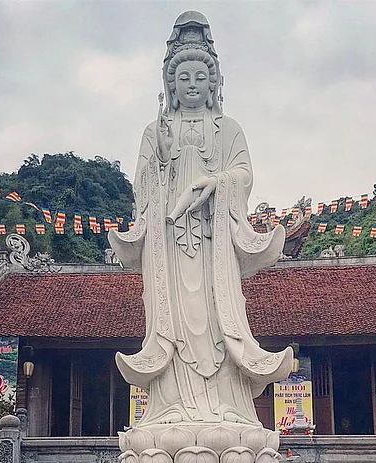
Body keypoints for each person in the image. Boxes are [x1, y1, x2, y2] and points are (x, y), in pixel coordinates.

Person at [109, 11, 293, 427]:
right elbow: (142, 184)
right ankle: (171, 404)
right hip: (169, 247)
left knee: (217, 315)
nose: (192, 84)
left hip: (214, 245)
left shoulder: (228, 129)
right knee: (171, 316)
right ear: (170, 84)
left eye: (199, 77)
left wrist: (217, 182)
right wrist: (162, 155)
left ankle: (227, 405)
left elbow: (243, 174)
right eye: (184, 77)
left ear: (213, 83)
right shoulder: (154, 130)